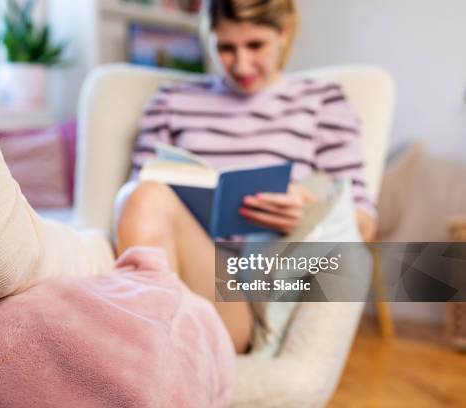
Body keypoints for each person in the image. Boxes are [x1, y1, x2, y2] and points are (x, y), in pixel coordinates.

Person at [114, 0, 376, 354]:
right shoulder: (171, 101)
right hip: (172, 262)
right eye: (225, 47)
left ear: (283, 32)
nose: (241, 64)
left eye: (255, 45)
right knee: (143, 196)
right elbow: (137, 203)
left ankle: (136, 348)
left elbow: (362, 224)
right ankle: (146, 351)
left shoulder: (322, 103)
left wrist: (306, 212)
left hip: (245, 291)